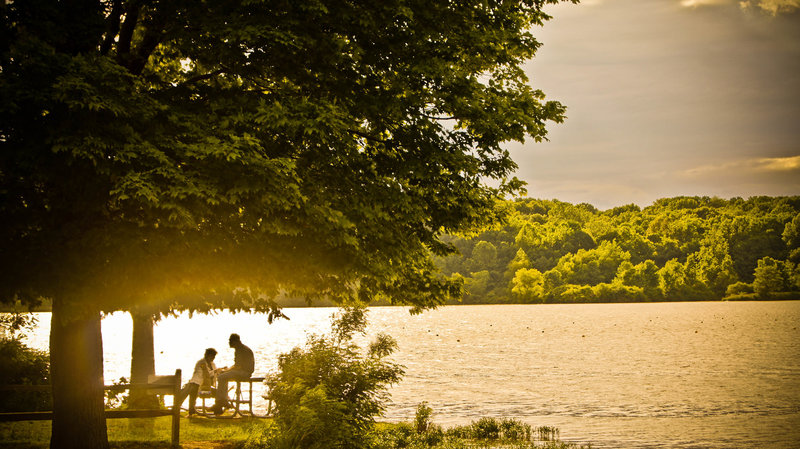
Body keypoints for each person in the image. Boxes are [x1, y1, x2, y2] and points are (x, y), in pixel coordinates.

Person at [211, 333, 254, 415]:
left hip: (244, 373)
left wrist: (226, 371)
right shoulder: (240, 349)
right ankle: (223, 401)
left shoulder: (241, 350)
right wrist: (227, 370)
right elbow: (237, 366)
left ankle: (221, 402)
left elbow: (238, 366)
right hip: (243, 371)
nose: (229, 343)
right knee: (223, 376)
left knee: (221, 377)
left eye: (230, 341)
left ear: (236, 341)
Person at [176, 348, 217, 415]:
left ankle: (217, 408)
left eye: (214, 356)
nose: (212, 358)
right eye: (211, 356)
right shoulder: (201, 363)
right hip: (197, 384)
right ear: (206, 355)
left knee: (217, 392)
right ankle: (191, 411)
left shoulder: (212, 364)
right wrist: (216, 371)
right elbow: (206, 374)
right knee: (193, 390)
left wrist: (220, 371)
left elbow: (213, 374)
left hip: (205, 385)